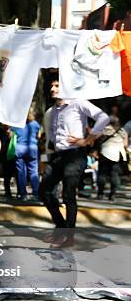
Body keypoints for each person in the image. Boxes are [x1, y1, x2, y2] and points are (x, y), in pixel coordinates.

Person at [39, 80, 110, 247]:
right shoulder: (53, 111)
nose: (52, 88)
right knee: (44, 191)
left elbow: (103, 117)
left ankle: (68, 237)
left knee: (68, 196)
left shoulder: (78, 103)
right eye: (52, 85)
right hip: (58, 156)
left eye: (56, 85)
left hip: (75, 156)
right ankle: (61, 227)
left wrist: (88, 140)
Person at [97, 116, 128, 201]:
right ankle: (112, 195)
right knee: (114, 175)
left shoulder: (104, 129)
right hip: (117, 155)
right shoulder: (123, 131)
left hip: (105, 153)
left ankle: (100, 194)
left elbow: (96, 138)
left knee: (102, 174)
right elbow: (125, 144)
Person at [13, 113, 41, 201]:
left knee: (21, 173)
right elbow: (39, 136)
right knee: (33, 172)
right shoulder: (35, 124)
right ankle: (36, 194)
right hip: (32, 149)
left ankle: (23, 194)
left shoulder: (17, 124)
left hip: (19, 149)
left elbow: (10, 135)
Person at [0, 124, 18, 199]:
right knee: (7, 175)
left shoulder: (14, 129)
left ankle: (17, 192)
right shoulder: (1, 130)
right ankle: (8, 192)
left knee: (15, 174)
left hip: (13, 153)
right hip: (6, 155)